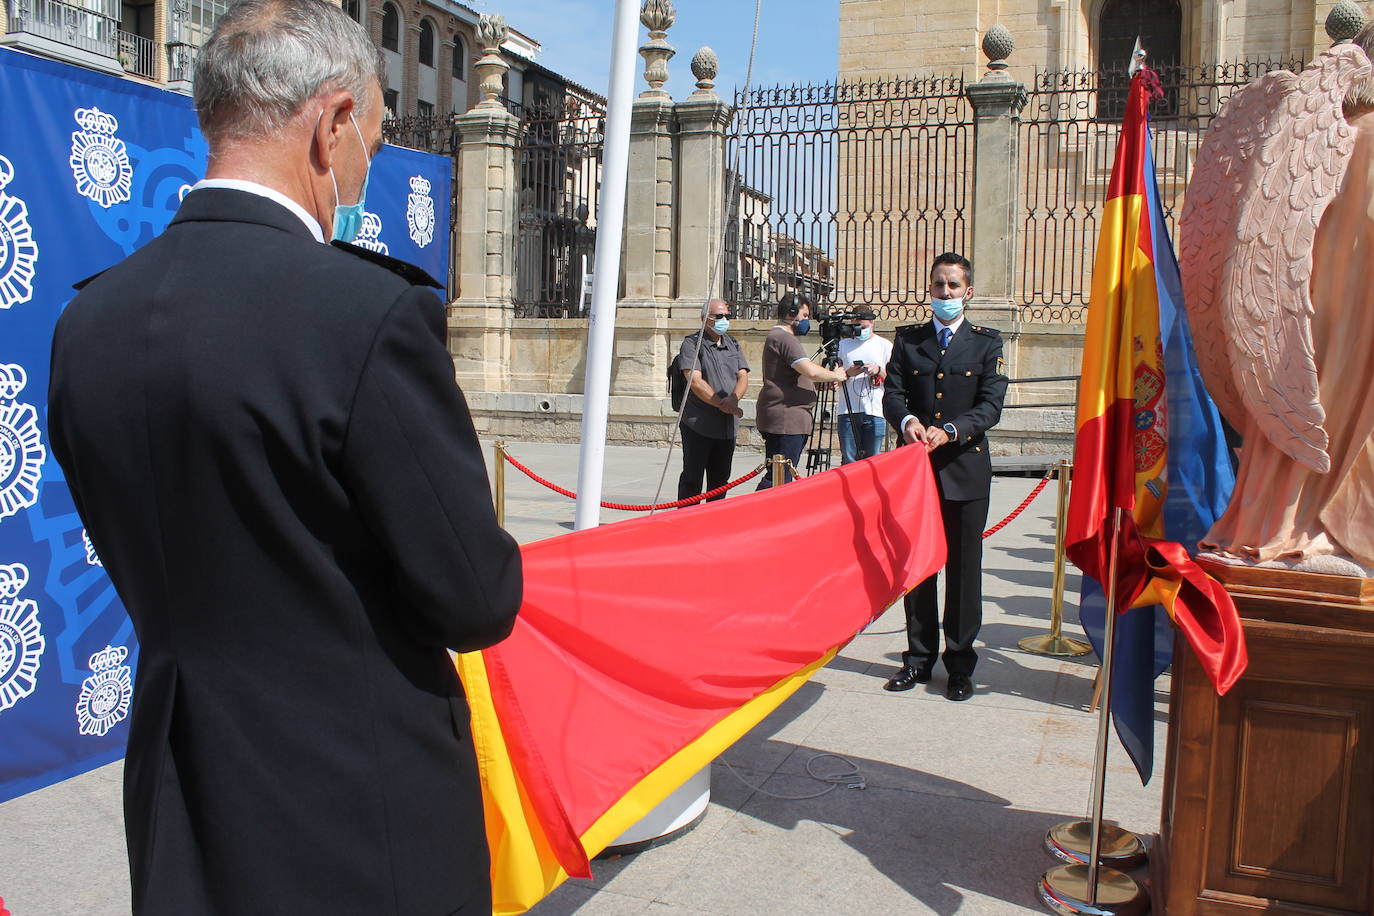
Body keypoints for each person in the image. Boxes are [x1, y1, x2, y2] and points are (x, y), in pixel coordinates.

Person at [46, 1, 522, 912]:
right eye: (371, 145)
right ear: (333, 121)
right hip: (356, 816)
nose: (362, 171)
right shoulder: (365, 315)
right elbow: (475, 597)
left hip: (179, 800)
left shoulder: (85, 322)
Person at [882, 252, 1007, 701]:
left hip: (965, 467)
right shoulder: (909, 340)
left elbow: (990, 406)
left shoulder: (987, 343)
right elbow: (893, 394)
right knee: (918, 567)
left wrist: (952, 430)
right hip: (916, 471)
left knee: (962, 569)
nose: (946, 293)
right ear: (930, 290)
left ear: (967, 292)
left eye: (954, 286)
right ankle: (918, 659)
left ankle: (959, 664)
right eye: (940, 285)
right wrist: (908, 422)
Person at [755, 291, 847, 489]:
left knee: (781, 475)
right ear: (791, 313)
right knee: (779, 477)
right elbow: (809, 370)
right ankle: (758, 516)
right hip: (786, 419)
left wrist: (822, 381)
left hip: (789, 418)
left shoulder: (780, 337)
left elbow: (799, 377)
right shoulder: (784, 337)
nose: (807, 321)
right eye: (804, 316)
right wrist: (836, 375)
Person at [677, 299, 750, 503]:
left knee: (720, 480)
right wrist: (721, 403)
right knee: (692, 479)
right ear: (704, 319)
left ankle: (713, 521)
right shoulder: (692, 344)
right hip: (699, 423)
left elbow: (743, 375)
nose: (724, 320)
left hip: (726, 426)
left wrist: (734, 399)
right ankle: (686, 522)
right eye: (719, 316)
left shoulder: (732, 343)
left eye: (727, 315)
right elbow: (694, 379)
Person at [835, 309, 892, 463]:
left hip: (875, 410)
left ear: (872, 323)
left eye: (864, 327)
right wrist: (849, 373)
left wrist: (878, 370)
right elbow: (832, 380)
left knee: (872, 460)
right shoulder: (843, 345)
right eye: (856, 327)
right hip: (848, 409)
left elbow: (894, 380)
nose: (860, 331)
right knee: (849, 460)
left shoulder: (884, 345)